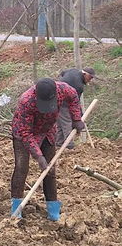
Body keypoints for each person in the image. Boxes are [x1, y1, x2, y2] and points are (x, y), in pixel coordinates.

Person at [11, 78, 84, 221]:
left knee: (50, 170)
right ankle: (16, 209)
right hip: (23, 133)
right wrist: (38, 156)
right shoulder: (26, 101)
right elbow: (25, 133)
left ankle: (53, 210)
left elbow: (74, 97)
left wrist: (76, 118)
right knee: (21, 168)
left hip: (48, 131)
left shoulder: (63, 89)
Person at [56, 67, 96, 149]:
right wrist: (78, 119)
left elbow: (62, 72)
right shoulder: (79, 86)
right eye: (90, 77)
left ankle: (59, 142)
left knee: (61, 122)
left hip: (54, 97)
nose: (90, 80)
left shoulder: (73, 70)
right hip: (62, 100)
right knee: (67, 121)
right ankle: (69, 144)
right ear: (85, 74)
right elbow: (75, 104)